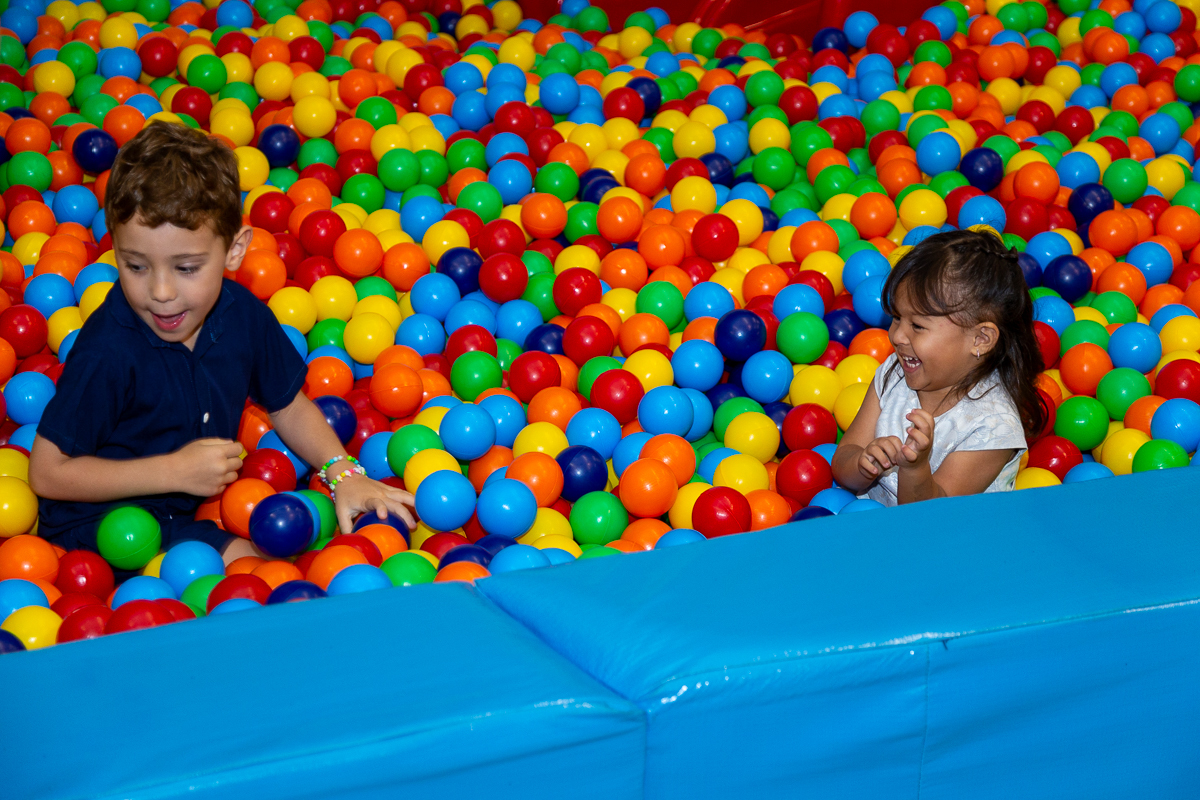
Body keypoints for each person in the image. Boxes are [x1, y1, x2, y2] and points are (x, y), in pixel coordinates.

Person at [27, 121, 415, 563]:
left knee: (274, 576)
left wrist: (344, 474)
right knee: (244, 586)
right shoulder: (108, 349)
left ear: (234, 251)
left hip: (181, 521)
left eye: (186, 268)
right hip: (96, 531)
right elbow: (47, 474)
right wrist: (174, 471)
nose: (161, 292)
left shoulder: (242, 315)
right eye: (135, 266)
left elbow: (287, 405)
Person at [832, 229, 1047, 506]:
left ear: (980, 339)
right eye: (897, 318)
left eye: (918, 326)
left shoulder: (992, 426)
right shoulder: (894, 374)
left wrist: (914, 468)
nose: (897, 336)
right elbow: (843, 459)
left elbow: (933, 520)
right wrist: (863, 464)